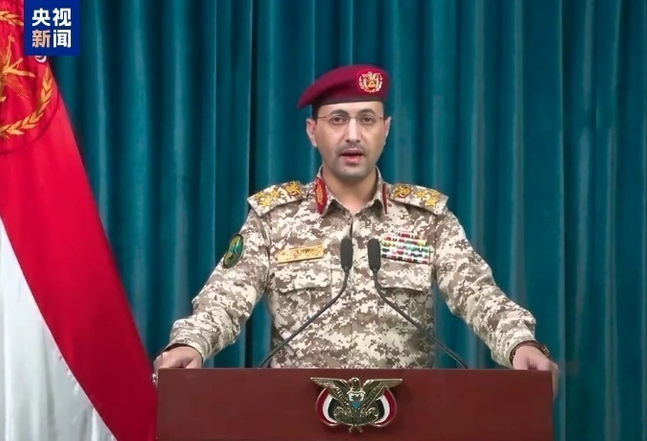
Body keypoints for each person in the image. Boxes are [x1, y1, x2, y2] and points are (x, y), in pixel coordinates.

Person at [153, 64, 559, 393]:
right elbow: (225, 299)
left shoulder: (426, 219)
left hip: (407, 416)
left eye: (367, 119)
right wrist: (192, 343)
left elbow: (477, 294)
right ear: (312, 131)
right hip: (296, 417)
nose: (353, 134)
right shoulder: (273, 218)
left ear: (386, 129)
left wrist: (519, 342)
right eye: (337, 119)